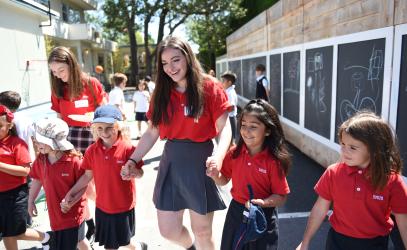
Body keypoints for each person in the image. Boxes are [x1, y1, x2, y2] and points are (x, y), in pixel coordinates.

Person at [121, 36, 232, 250]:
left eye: (175, 60)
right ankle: (191, 247)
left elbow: (225, 128)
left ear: (188, 58)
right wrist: (133, 159)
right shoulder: (161, 92)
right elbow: (152, 131)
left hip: (202, 161)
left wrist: (218, 157)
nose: (170, 68)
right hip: (172, 161)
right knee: (168, 230)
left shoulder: (209, 87)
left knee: (203, 231)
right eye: (164, 63)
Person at [296, 111, 407, 250]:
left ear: (375, 149)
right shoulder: (333, 172)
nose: (344, 151)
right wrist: (305, 242)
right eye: (342, 144)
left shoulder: (392, 181)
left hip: (374, 244)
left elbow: (403, 220)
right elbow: (319, 209)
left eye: (352, 147)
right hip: (337, 242)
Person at [207, 99, 291, 250]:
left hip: (262, 216)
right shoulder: (234, 153)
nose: (246, 131)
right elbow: (224, 180)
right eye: (243, 125)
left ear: (267, 130)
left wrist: (264, 203)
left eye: (253, 126)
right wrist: (214, 175)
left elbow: (281, 196)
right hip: (236, 213)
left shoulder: (273, 161)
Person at [63, 105, 147, 250]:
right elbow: (87, 176)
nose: (104, 132)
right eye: (100, 128)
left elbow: (140, 173)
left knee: (124, 242)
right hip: (102, 206)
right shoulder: (91, 150)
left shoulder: (129, 148)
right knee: (111, 245)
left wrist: (134, 173)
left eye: (109, 127)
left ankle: (138, 247)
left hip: (123, 206)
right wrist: (70, 193)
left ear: (118, 126)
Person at [48, 46, 106, 240]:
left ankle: (106, 218)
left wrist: (94, 119)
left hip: (92, 136)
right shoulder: (57, 89)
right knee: (79, 186)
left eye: (61, 71)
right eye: (54, 72)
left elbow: (105, 112)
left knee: (98, 184)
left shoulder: (91, 84)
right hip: (69, 139)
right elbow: (58, 118)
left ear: (71, 65)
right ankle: (90, 224)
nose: (57, 76)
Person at [29, 117, 91, 250]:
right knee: (80, 240)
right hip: (55, 213)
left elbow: (84, 185)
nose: (37, 143)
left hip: (72, 214)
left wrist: (71, 201)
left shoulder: (75, 160)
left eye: (42, 141)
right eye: (36, 139)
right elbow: (37, 179)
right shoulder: (41, 159)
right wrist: (31, 200)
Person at [0, 105, 52, 250]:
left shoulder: (17, 144)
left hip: (14, 195)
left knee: (17, 232)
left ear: (10, 126)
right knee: (7, 232)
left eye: (0, 126)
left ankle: (47, 237)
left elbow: (25, 170)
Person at [0, 91, 36, 228]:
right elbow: (33, 139)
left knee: (19, 193)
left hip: (16, 161)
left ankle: (22, 223)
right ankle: (27, 221)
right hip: (27, 159)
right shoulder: (25, 118)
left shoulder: (9, 122)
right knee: (25, 192)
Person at [221, 71, 238, 146]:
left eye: (224, 81)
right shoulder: (227, 90)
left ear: (229, 82)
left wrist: (221, 109)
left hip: (231, 118)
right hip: (229, 117)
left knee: (231, 140)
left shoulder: (230, 92)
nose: (222, 82)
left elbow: (232, 108)